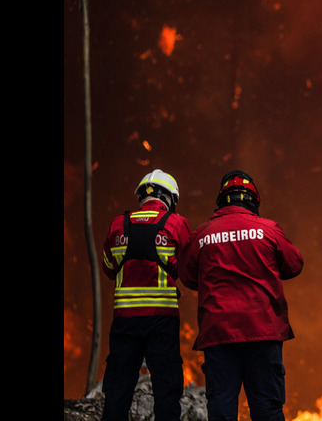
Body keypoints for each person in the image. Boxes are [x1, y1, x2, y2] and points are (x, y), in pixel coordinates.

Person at [179, 170, 304, 421]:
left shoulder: (202, 234)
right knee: (267, 407)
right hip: (263, 331)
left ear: (222, 200)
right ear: (253, 201)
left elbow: (188, 275)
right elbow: (294, 265)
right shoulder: (268, 230)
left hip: (219, 333)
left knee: (222, 408)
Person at [100, 169, 190, 421]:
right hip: (162, 320)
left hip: (124, 322)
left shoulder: (118, 224)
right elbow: (188, 267)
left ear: (141, 195)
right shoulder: (177, 223)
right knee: (167, 389)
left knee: (118, 389)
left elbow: (108, 268)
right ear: (170, 198)